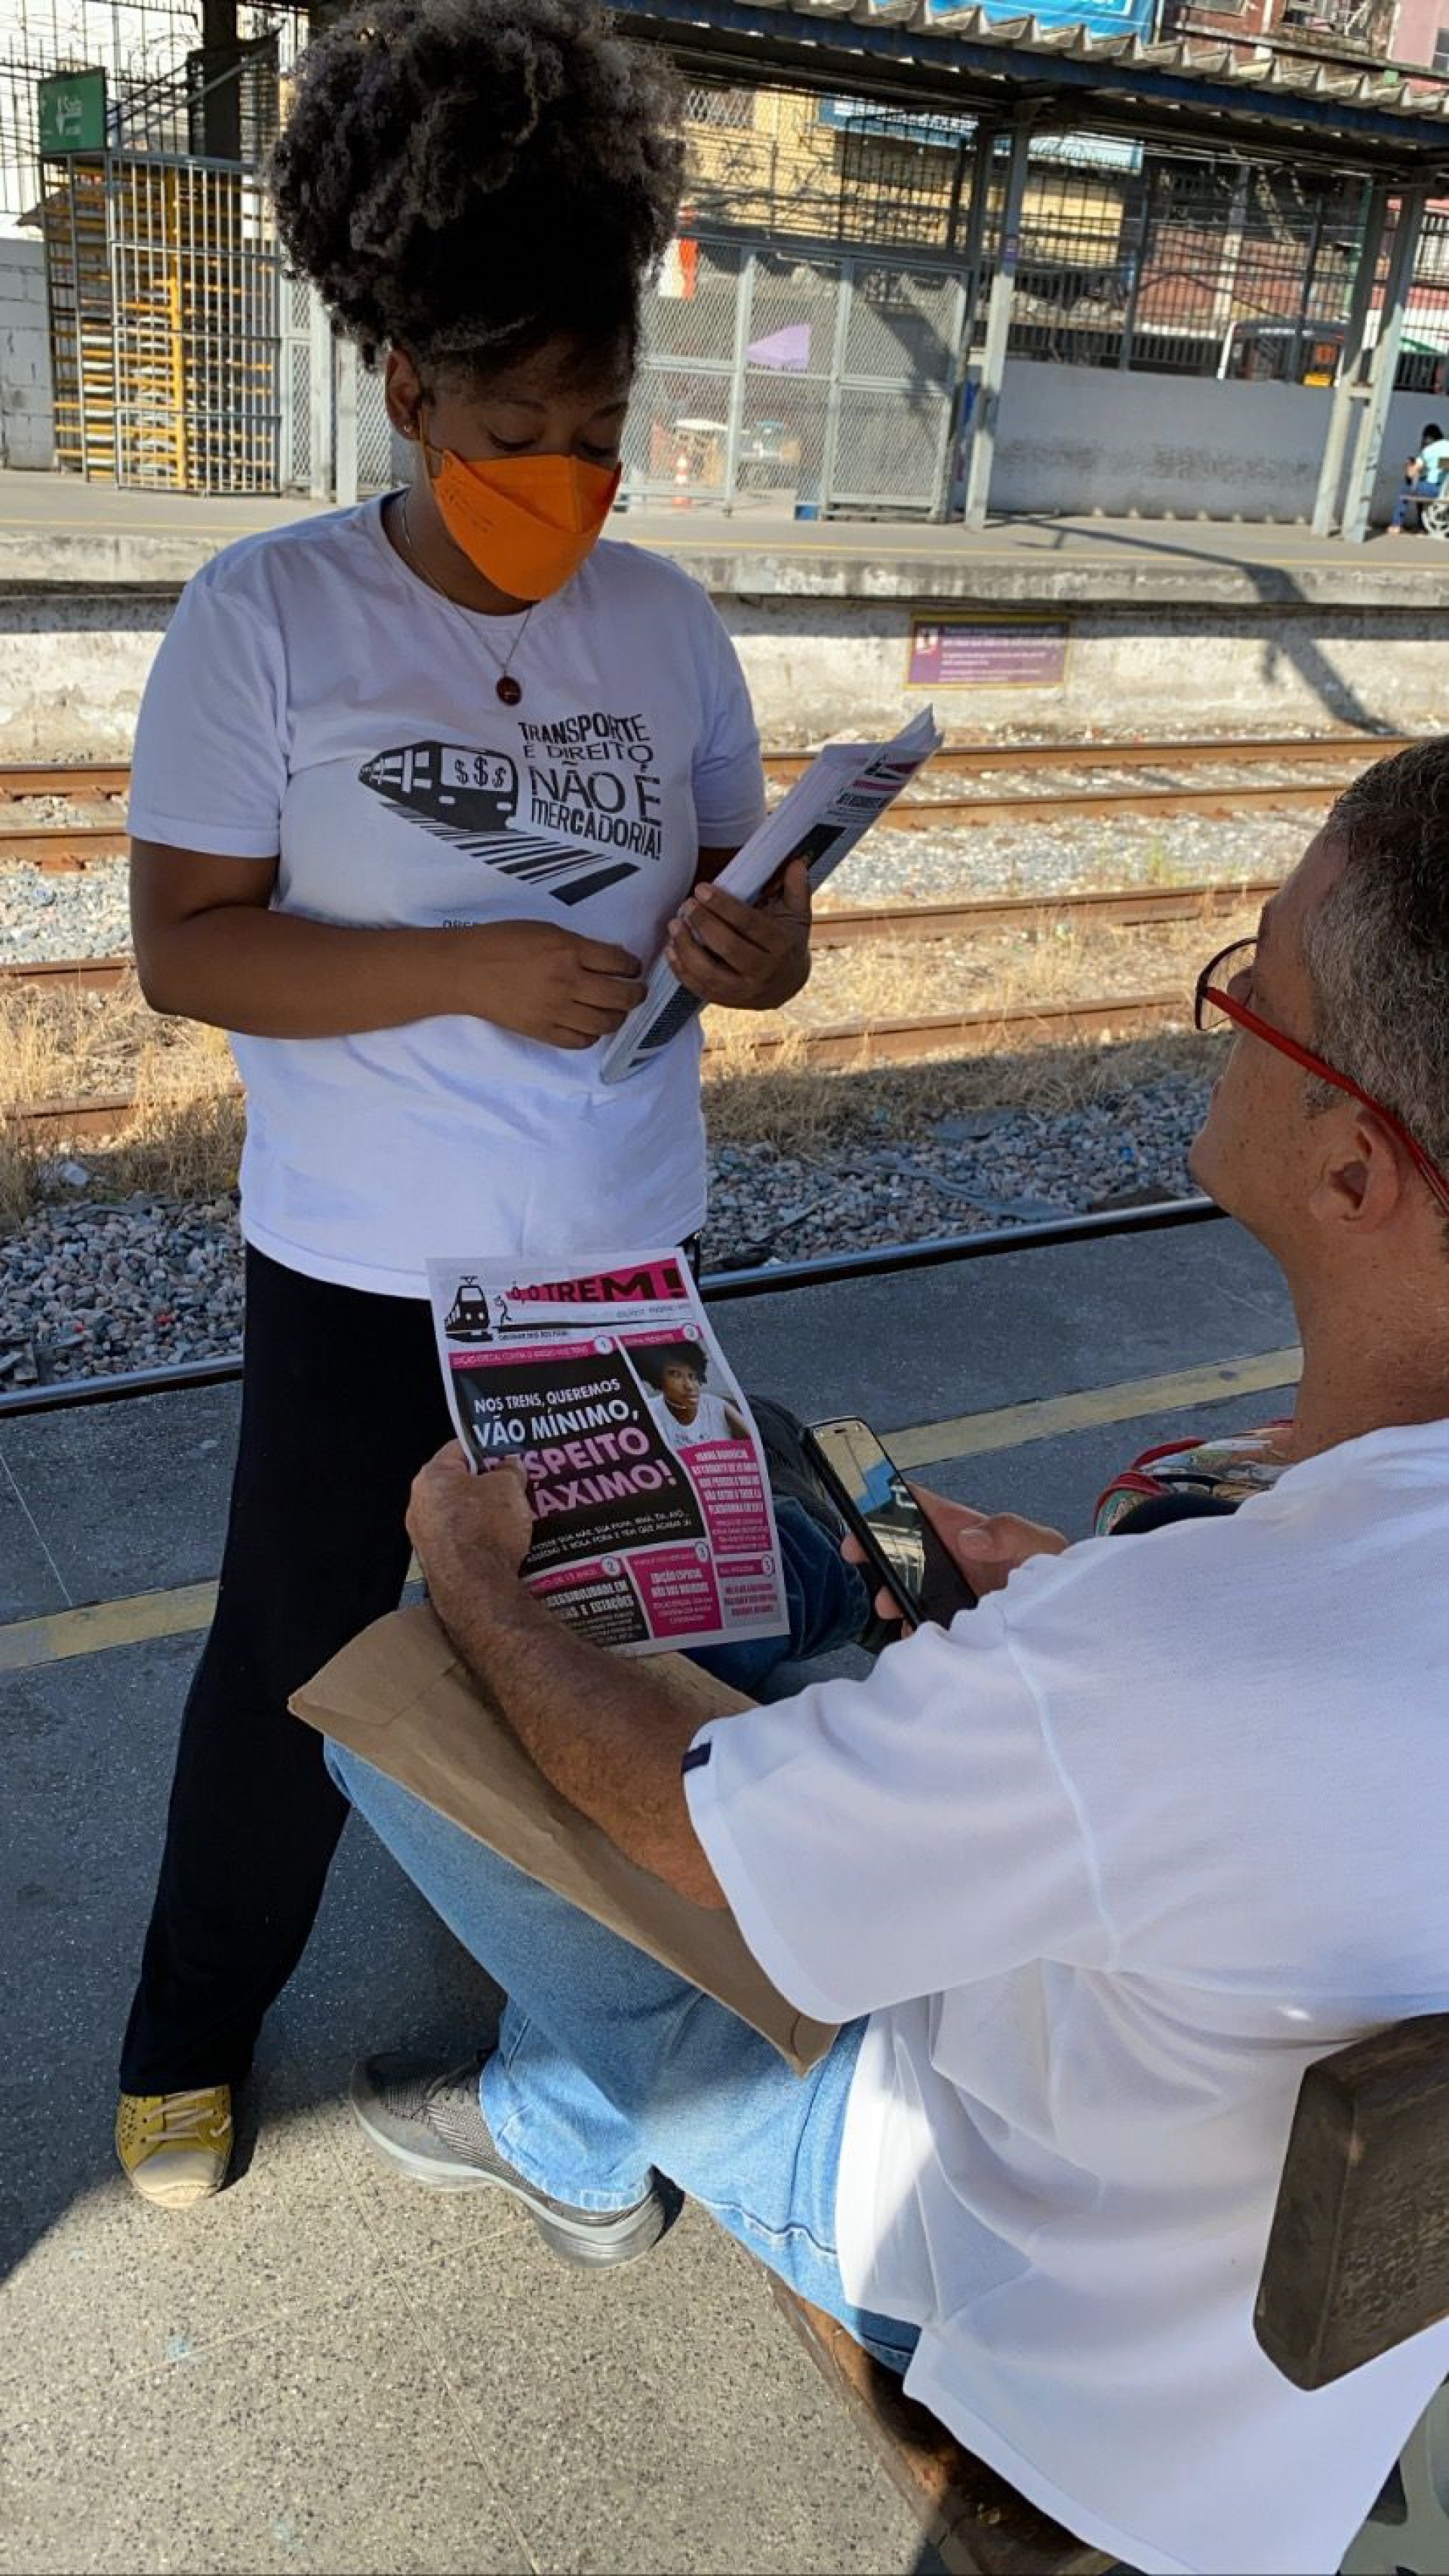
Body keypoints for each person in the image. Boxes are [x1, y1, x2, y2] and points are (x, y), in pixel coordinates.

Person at [328, 739, 1449, 2576]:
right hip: (1285, 2395)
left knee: (395, 1720)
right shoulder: (1186, 1630)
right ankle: (559, 2106)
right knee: (795, 1594)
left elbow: (700, 1833)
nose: (1228, 1017)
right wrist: (1071, 1633)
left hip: (1030, 2320)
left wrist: (478, 1591)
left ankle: (576, 2131)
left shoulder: (1160, 1658)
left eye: (1261, 985)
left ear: (1349, 1170)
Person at [115, 0, 848, 2211]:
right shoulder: (267, 622)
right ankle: (183, 2029)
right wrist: (463, 972)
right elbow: (191, 947)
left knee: (628, 1652)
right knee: (302, 1668)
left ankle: (591, 2041)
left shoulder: (667, 626)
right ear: (409, 393)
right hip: (365, 1278)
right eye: (516, 419)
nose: (568, 464)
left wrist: (757, 946)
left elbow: (757, 907)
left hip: (625, 1247)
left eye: (602, 422)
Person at [633, 1339, 750, 1453]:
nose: (689, 1386)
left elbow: (756, 1447)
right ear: (658, 1377)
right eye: (676, 1375)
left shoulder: (716, 1407)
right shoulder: (648, 1411)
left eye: (692, 1376)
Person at [1388, 418, 1449, 531]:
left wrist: (1409, 465)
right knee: (1421, 484)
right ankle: (1422, 526)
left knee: (1406, 487)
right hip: (1445, 490)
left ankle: (1396, 525)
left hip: (1434, 490)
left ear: (1427, 438)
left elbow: (1411, 474)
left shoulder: (1428, 451)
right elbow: (1443, 466)